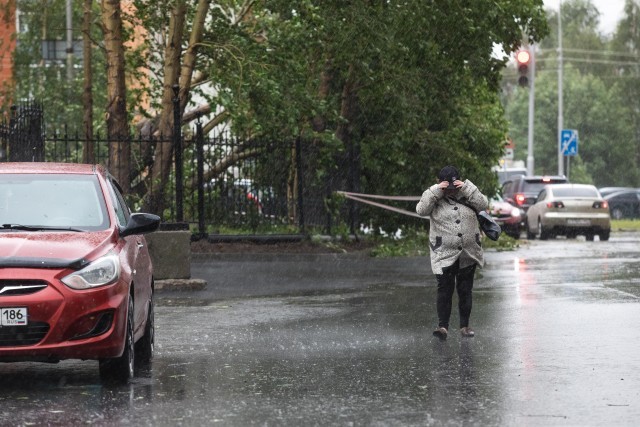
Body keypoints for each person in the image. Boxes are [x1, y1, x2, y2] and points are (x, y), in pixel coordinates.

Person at [415, 165, 488, 341]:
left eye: (452, 188)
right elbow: (421, 210)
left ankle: (465, 326)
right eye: (447, 188)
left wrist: (467, 188)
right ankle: (442, 327)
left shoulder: (468, 194)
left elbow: (484, 205)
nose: (450, 192)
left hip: (468, 252)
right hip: (443, 252)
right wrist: (435, 191)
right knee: (444, 290)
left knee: (465, 290)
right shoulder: (434, 197)